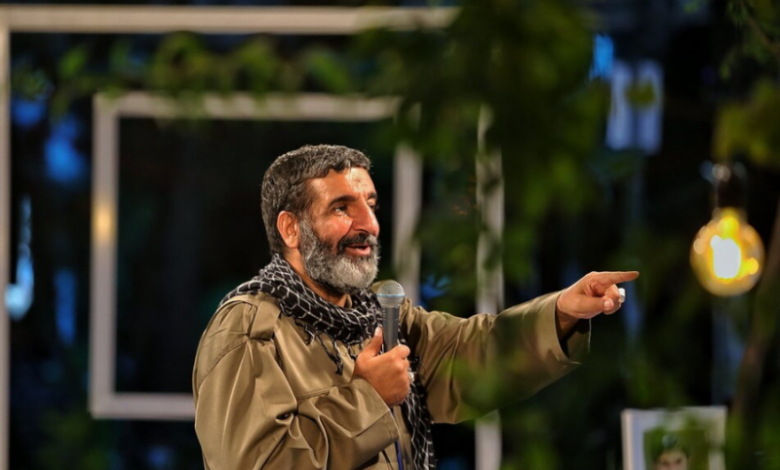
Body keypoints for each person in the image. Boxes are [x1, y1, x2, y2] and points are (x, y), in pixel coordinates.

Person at [192, 144, 639, 470]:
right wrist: (368, 398)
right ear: (290, 229)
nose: (369, 224)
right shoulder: (250, 328)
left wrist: (562, 312)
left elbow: (472, 352)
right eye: (342, 208)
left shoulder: (380, 315)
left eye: (370, 205)